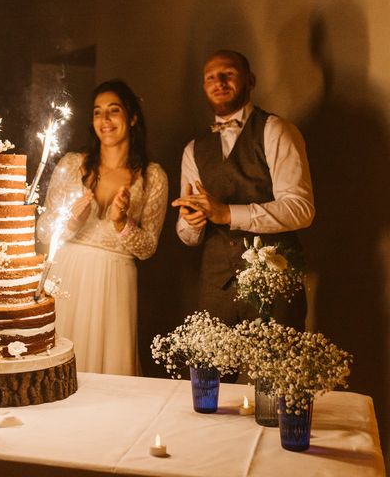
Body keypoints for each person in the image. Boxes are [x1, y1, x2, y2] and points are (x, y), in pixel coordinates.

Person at [172, 50, 315, 330]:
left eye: (229, 74)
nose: (219, 82)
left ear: (250, 80)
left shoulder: (275, 130)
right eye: (210, 77)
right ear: (203, 87)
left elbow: (301, 209)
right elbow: (186, 235)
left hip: (274, 283)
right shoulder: (193, 149)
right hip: (215, 286)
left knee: (276, 373)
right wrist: (192, 222)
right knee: (208, 374)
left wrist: (227, 213)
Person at [38, 80, 168, 376]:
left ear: (132, 117)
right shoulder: (71, 165)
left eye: (114, 111)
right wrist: (70, 222)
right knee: (59, 367)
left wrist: (122, 223)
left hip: (114, 280)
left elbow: (147, 248)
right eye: (97, 112)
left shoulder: (152, 176)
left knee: (110, 373)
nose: (105, 120)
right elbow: (43, 230)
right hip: (67, 274)